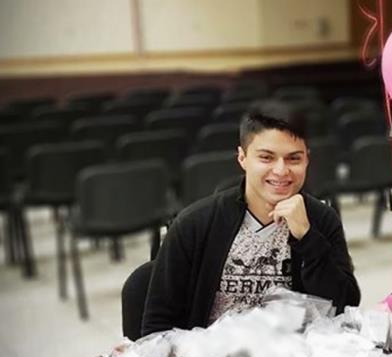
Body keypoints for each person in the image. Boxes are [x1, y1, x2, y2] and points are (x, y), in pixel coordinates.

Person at [142, 102, 361, 336]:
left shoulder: (321, 219)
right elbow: (157, 327)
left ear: (307, 159)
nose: (281, 170)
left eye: (293, 159)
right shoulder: (195, 224)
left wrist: (307, 238)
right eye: (266, 158)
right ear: (242, 158)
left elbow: (344, 308)